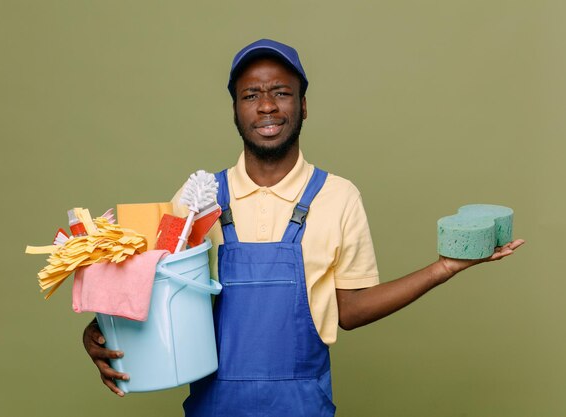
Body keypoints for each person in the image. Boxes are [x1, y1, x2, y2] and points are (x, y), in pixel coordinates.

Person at [82, 39, 524, 416]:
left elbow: (348, 311)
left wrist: (442, 268)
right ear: (235, 110)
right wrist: (101, 330)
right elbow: (158, 297)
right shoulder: (199, 199)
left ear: (304, 104)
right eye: (251, 94)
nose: (267, 106)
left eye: (281, 92)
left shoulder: (338, 197)